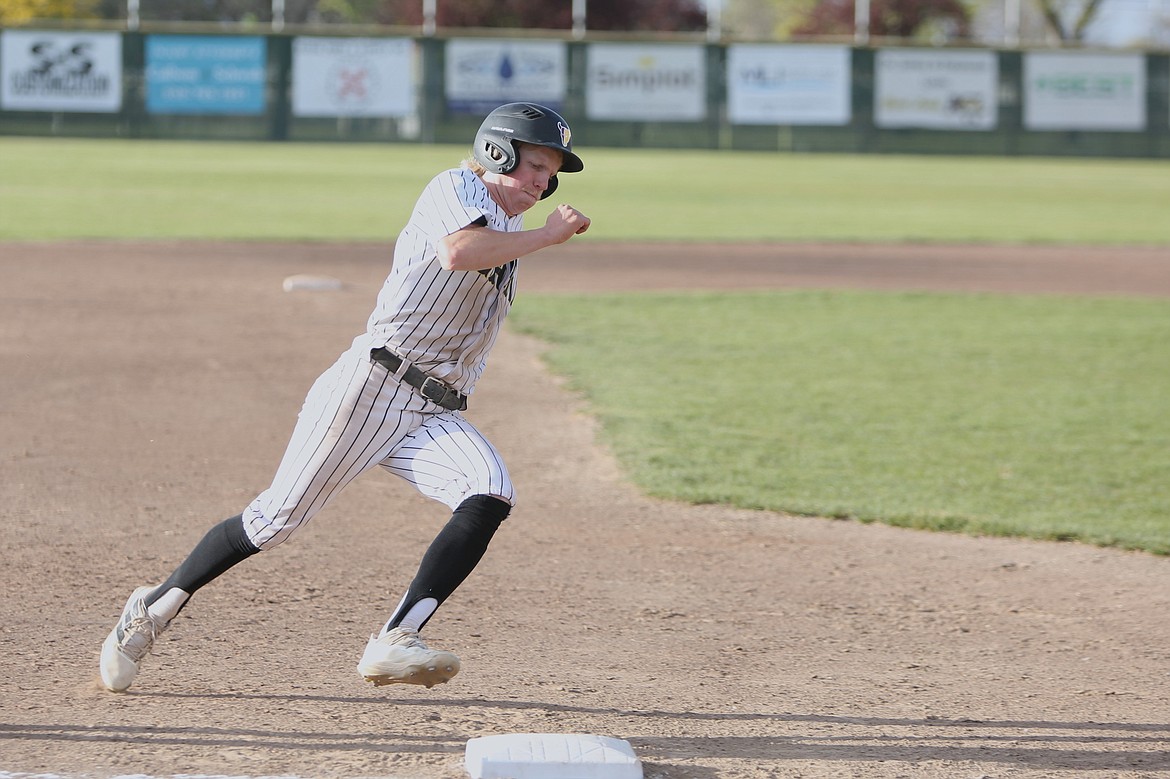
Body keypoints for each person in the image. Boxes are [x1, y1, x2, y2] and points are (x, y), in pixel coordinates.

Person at [98, 102, 590, 693]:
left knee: (489, 492)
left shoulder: (510, 231)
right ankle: (151, 609)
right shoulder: (455, 187)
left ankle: (395, 640)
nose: (544, 181)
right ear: (497, 153)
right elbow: (458, 252)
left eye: (551, 171)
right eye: (535, 165)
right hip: (369, 388)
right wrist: (549, 235)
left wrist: (532, 235)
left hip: (431, 408)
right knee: (275, 519)